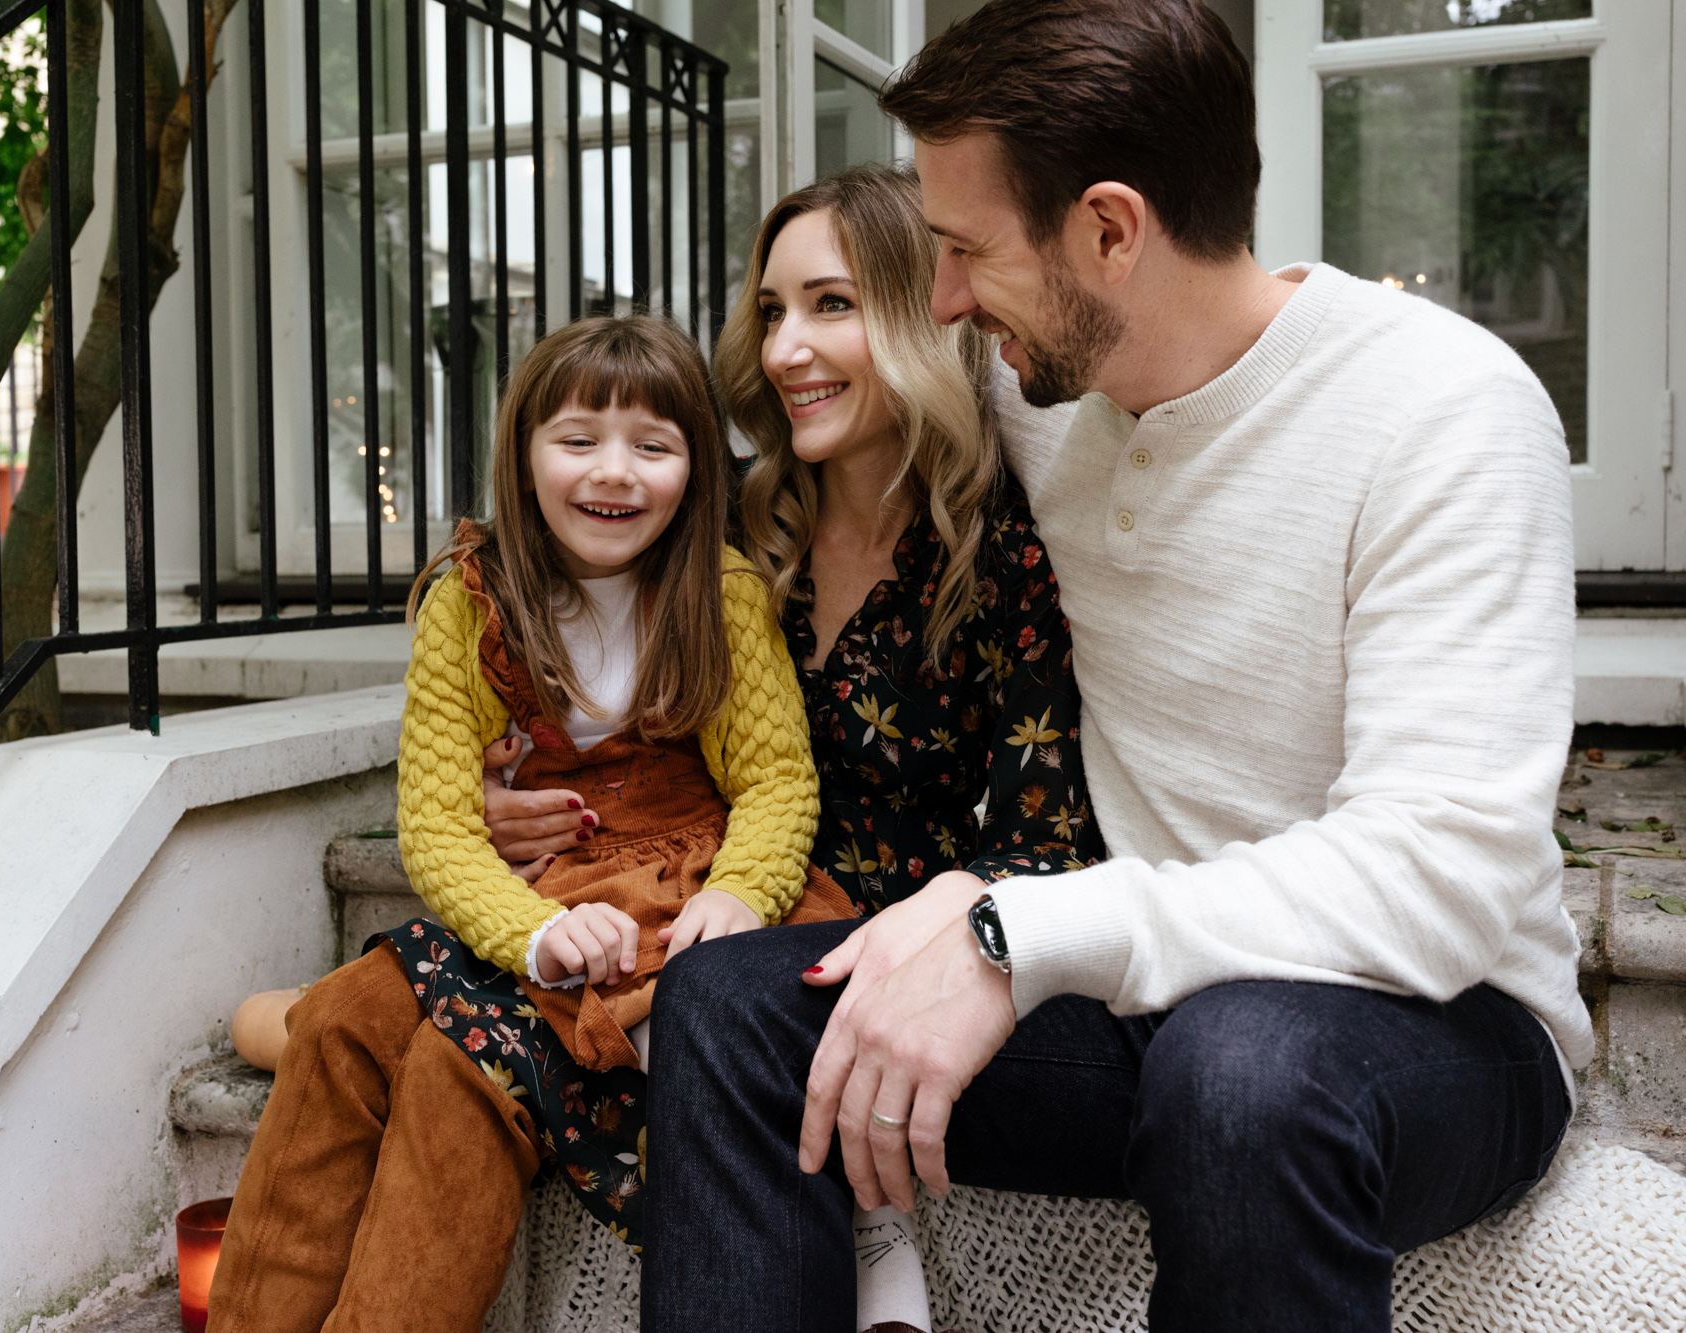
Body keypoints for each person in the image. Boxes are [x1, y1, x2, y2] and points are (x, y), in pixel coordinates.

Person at [635, 2, 1590, 1331]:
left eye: (964, 251)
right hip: (1137, 997)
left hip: (1433, 1019)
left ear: (1108, 231)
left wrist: (1014, 930)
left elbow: (1443, 878)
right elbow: (838, 422)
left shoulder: (1444, 413)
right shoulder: (1043, 393)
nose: (944, 300)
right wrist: (567, 721)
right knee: (729, 1007)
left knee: (1241, 1068)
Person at [482, 165, 1107, 1333]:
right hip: (687, 900)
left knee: (709, 1005)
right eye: (770, 311)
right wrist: (508, 790)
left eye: (830, 305)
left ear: (918, 317)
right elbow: (581, 689)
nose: (782, 350)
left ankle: (876, 1245)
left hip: (888, 947)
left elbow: (1044, 842)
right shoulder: (723, 527)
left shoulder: (999, 556)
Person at [206, 315, 856, 1333]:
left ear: (696, 466)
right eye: (578, 439)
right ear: (522, 452)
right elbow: (436, 827)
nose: (614, 471)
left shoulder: (718, 594)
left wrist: (742, 892)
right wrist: (536, 932)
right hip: (535, 898)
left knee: (460, 1063)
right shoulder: (471, 605)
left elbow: (776, 780)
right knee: (334, 1024)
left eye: (653, 444)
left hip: (669, 884)